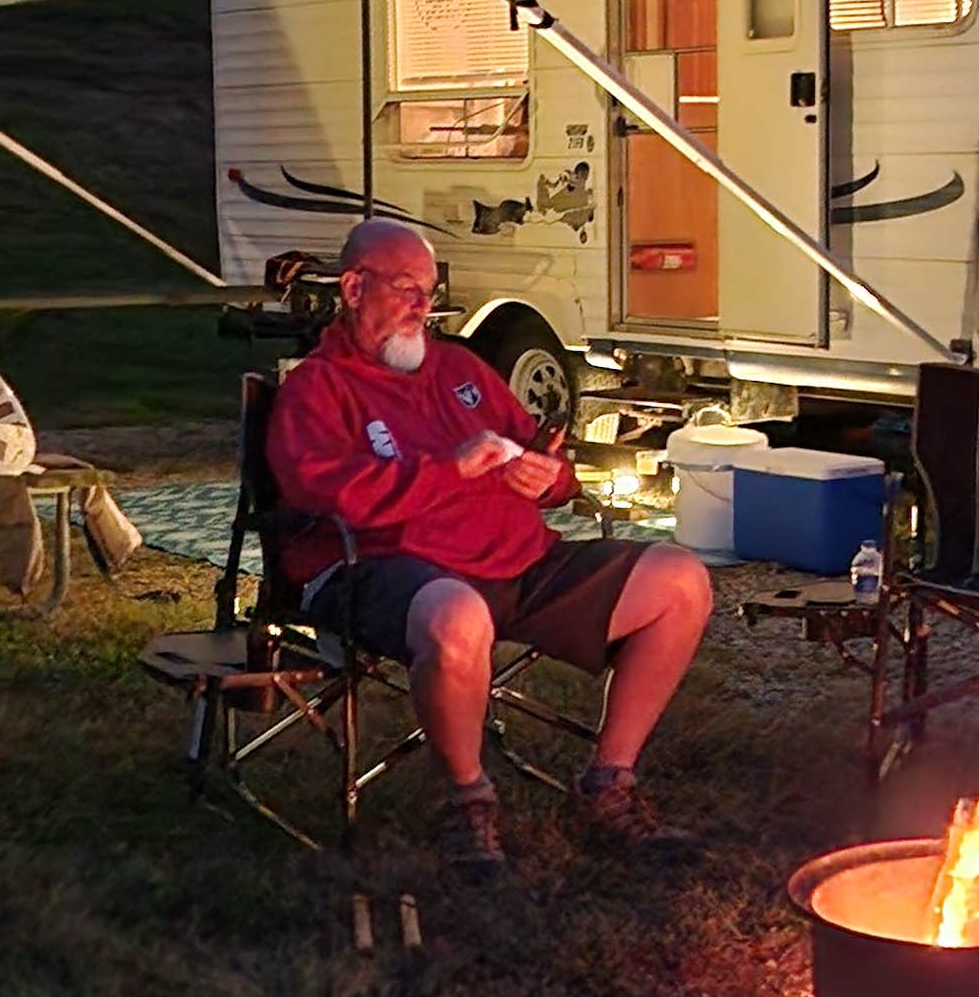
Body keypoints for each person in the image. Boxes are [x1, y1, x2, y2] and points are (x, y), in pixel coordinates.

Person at [264, 216, 713, 876]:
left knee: (680, 580)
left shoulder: (460, 369)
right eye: (406, 289)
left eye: (429, 291)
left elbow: (549, 468)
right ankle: (468, 800)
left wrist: (547, 477)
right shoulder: (318, 388)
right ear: (354, 289)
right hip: (384, 568)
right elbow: (328, 496)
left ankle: (608, 781)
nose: (423, 306)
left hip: (518, 563)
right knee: (457, 617)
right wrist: (450, 470)